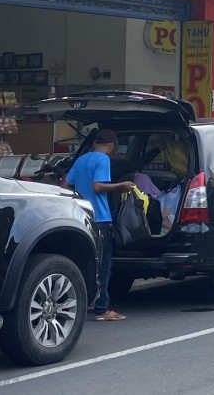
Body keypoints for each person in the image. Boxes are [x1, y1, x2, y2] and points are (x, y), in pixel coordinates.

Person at [62, 129, 136, 322]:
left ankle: (86, 303)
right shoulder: (103, 160)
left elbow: (65, 186)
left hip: (82, 217)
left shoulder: (82, 159)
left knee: (87, 263)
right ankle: (102, 309)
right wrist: (121, 186)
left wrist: (79, 199)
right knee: (103, 266)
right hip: (101, 219)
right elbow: (98, 186)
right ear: (111, 145)